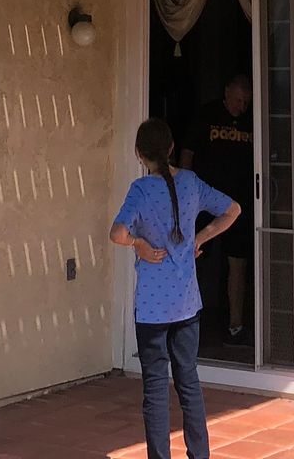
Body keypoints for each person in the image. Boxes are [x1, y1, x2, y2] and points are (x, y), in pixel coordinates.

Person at [111, 117, 240, 459]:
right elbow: (233, 210)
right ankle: (199, 454)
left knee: (155, 386)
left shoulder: (139, 190)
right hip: (186, 303)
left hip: (152, 309)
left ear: (139, 155)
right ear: (171, 149)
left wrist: (138, 243)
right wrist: (199, 238)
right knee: (189, 381)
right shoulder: (192, 183)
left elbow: (117, 233)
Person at [181, 72, 253, 342]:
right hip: (204, 200)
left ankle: (235, 326)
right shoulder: (206, 114)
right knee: (195, 253)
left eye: (245, 101)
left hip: (239, 203)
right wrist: (185, 191)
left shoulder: (251, 118)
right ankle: (187, 320)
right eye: (237, 100)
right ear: (226, 93)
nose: (241, 106)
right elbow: (187, 152)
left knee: (239, 262)